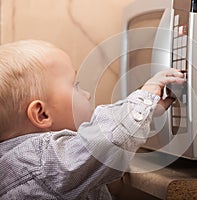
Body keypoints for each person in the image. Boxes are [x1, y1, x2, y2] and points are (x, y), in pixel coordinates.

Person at [0, 40, 184, 199]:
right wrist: (146, 95)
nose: (86, 95)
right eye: (75, 85)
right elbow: (108, 139)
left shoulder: (19, 161)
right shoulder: (43, 160)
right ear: (42, 115)